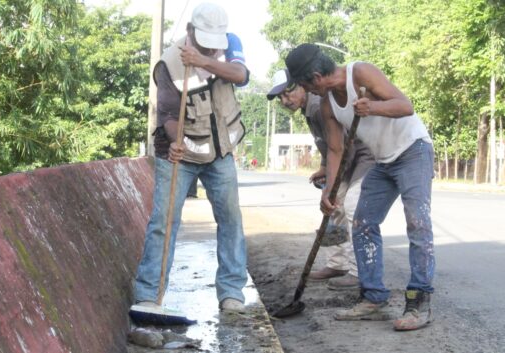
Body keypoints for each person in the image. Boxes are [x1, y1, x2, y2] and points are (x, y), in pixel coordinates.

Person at [285, 44, 435, 331]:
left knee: (418, 223)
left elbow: (405, 105)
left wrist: (374, 107)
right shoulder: (328, 102)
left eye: (305, 85)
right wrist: (329, 189)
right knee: (363, 223)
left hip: (413, 151)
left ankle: (419, 301)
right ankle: (374, 298)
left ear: (316, 77)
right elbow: (335, 148)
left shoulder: (361, 72)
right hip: (383, 161)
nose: (307, 92)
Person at [133, 2, 250, 313]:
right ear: (189, 33)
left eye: (214, 46)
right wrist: (175, 141)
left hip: (220, 153)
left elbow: (240, 75)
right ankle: (149, 296)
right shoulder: (168, 64)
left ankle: (231, 293)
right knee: (164, 222)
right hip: (179, 155)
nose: (211, 51)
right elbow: (169, 114)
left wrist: (204, 61)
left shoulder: (231, 44)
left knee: (231, 220)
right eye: (203, 45)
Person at [266, 69, 374, 290]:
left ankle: (358, 271)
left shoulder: (316, 107)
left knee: (351, 207)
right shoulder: (308, 109)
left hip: (361, 156)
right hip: (344, 159)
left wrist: (333, 185)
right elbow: (327, 145)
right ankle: (337, 264)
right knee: (333, 209)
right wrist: (324, 168)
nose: (285, 101)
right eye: (281, 98)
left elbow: (344, 148)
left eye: (288, 93)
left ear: (302, 85)